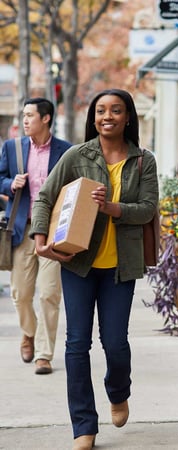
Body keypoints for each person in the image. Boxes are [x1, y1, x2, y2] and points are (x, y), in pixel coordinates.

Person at [30, 89, 159, 450]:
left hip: (120, 266)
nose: (108, 116)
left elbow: (148, 208)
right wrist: (41, 239)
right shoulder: (76, 156)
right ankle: (83, 425)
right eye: (101, 110)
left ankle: (118, 392)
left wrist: (113, 208)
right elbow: (45, 197)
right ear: (93, 117)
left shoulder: (142, 161)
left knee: (115, 343)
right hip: (79, 264)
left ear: (128, 116)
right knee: (76, 344)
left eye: (116, 110)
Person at [0, 97, 72, 375]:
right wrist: (9, 182)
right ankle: (28, 332)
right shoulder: (12, 148)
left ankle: (44, 353)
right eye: (23, 115)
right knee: (20, 293)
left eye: (30, 115)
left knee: (50, 293)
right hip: (22, 228)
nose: (25, 120)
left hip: (54, 231)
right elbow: (0, 177)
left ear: (46, 118)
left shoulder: (66, 151)